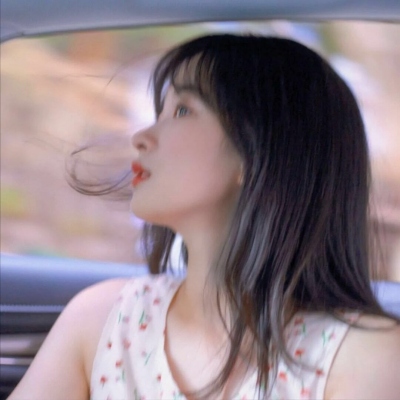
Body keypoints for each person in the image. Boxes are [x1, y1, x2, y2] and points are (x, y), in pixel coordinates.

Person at [8, 34, 400, 400]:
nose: (141, 137)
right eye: (161, 110)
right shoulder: (104, 320)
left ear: (256, 154)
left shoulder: (363, 355)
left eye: (182, 110)